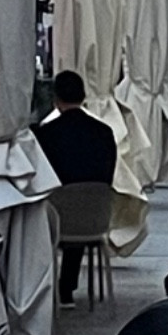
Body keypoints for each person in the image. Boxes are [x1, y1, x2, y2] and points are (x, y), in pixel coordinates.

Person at [36, 69, 118, 308]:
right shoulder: (104, 133)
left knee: (52, 209)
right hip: (95, 219)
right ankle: (67, 286)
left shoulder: (45, 135)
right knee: (80, 204)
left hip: (55, 219)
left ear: (56, 98)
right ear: (83, 96)